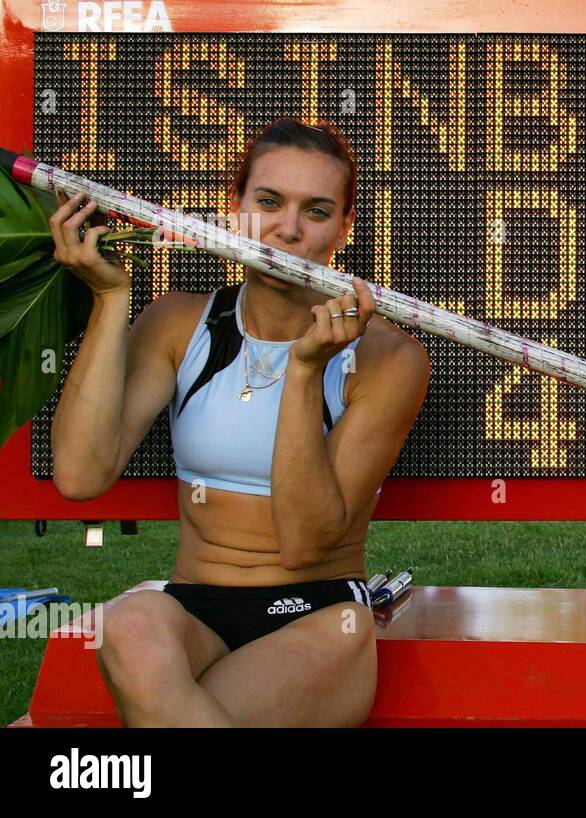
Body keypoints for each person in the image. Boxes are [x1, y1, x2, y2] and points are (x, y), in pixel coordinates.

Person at [47, 118, 431, 727]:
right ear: (236, 209)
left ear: (345, 229)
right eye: (269, 202)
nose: (288, 229)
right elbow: (78, 474)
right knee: (128, 626)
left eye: (318, 210)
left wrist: (304, 373)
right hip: (195, 604)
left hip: (320, 612)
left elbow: (306, 544)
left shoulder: (388, 358)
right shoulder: (178, 324)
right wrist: (109, 300)